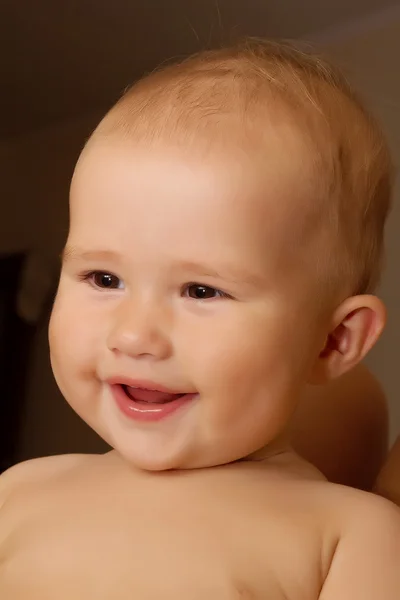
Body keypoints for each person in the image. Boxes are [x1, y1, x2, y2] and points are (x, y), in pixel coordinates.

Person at [1, 39, 400, 598]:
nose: (134, 335)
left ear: (333, 341)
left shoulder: (350, 534)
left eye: (201, 290)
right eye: (104, 279)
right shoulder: (17, 493)